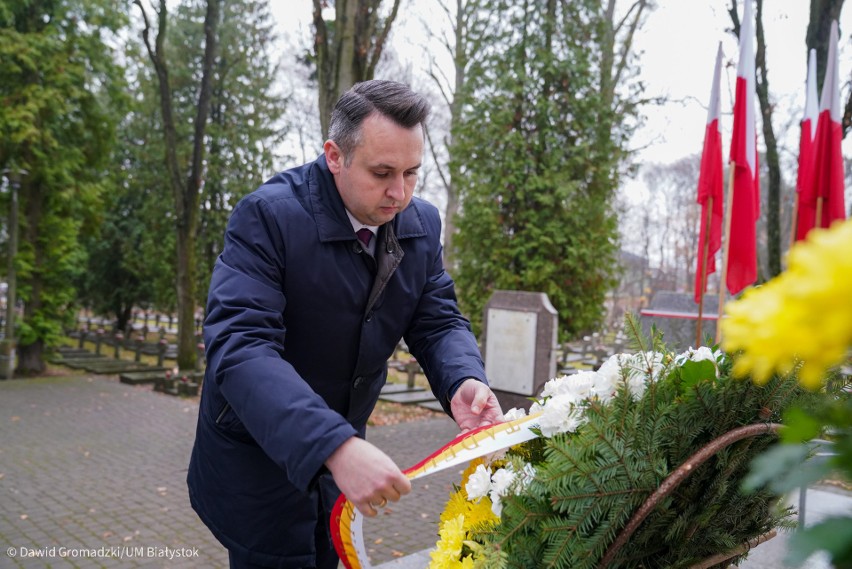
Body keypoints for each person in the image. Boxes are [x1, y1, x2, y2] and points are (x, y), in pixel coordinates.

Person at [187, 79, 503, 569]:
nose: (399, 193)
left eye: (412, 173)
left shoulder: (420, 225)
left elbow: (437, 319)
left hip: (342, 458)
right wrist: (331, 444)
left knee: (328, 554)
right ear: (335, 155)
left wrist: (464, 378)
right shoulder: (268, 217)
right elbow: (241, 346)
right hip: (258, 460)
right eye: (381, 173)